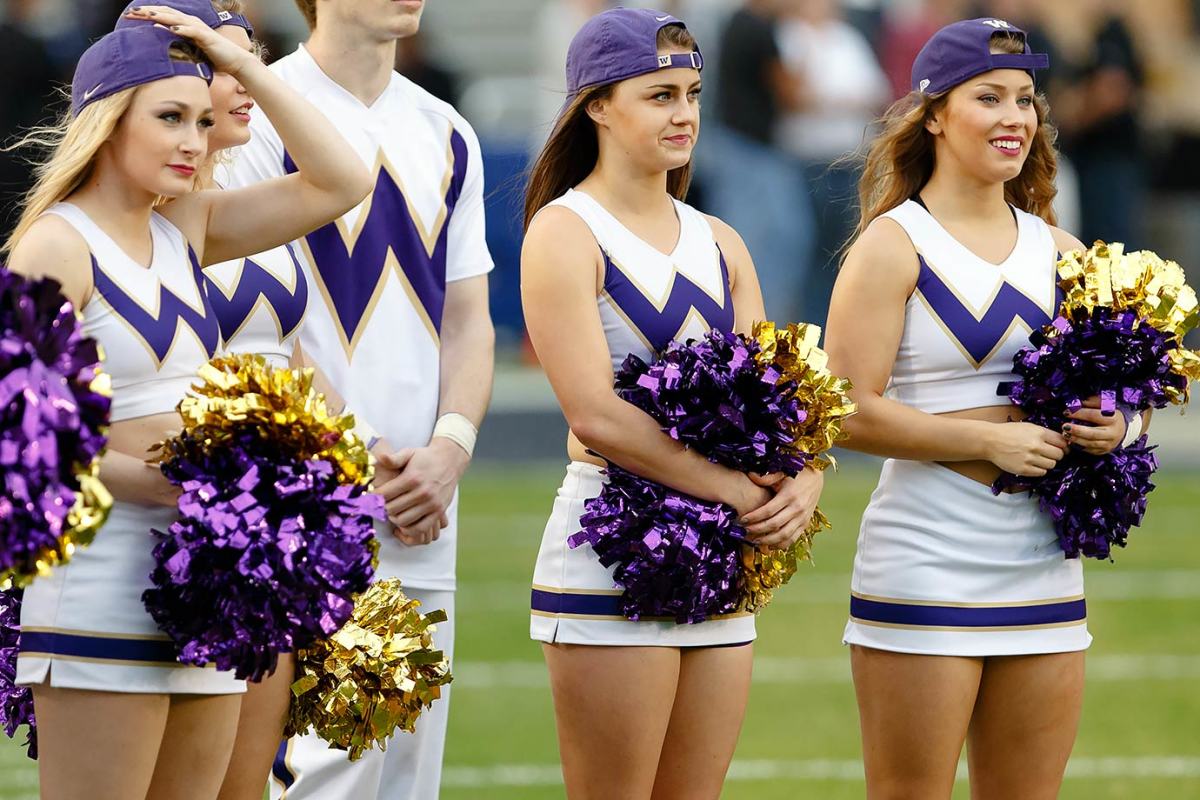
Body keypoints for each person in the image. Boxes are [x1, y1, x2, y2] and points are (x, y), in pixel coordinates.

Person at [3, 10, 371, 799]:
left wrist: (235, 62)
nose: (193, 142)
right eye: (169, 118)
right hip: (101, 584)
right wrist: (188, 487)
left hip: (208, 580)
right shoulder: (55, 246)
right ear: (106, 121)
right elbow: (26, 440)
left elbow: (345, 180)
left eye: (204, 122)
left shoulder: (186, 229)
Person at [824, 18, 1143, 799]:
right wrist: (984, 442)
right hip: (926, 560)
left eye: (1026, 99)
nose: (1015, 117)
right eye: (989, 97)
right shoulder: (893, 245)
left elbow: (1125, 390)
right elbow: (842, 409)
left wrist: (1120, 424)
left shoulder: (1062, 250)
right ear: (934, 113)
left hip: (1043, 567)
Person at [522, 9, 824, 798]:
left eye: (691, 93)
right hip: (608, 551)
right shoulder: (565, 232)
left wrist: (805, 477)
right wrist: (731, 489)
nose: (684, 113)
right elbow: (595, 414)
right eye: (659, 95)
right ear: (595, 104)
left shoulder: (721, 239)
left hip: (720, 558)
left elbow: (777, 399)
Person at [220, 1, 496, 798]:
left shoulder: (449, 130)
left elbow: (468, 319)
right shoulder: (256, 111)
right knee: (323, 771)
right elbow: (257, 323)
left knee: (408, 773)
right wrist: (357, 447)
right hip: (304, 488)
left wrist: (450, 450)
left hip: (424, 500)